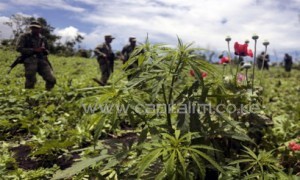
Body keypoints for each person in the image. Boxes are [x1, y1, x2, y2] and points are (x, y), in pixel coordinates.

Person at [16, 21, 56, 90]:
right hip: (29, 60)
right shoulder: (24, 36)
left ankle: (48, 94)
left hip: (42, 59)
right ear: (30, 28)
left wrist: (44, 51)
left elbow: (48, 50)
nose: (35, 29)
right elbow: (19, 48)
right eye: (33, 27)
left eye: (37, 28)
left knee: (51, 79)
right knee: (31, 80)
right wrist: (34, 50)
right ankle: (29, 97)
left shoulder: (43, 38)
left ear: (40, 29)